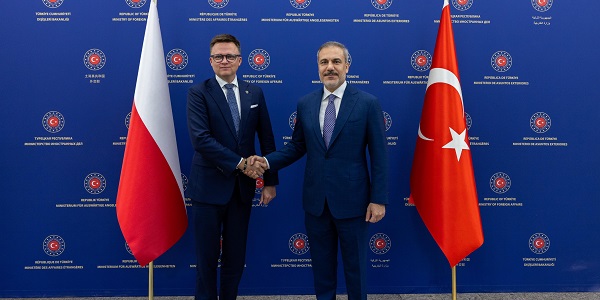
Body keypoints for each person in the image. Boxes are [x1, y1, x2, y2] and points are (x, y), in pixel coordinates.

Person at [251, 41, 388, 300]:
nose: (330, 68)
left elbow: (379, 156)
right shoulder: (306, 104)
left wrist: (378, 199)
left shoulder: (367, 103)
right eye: (324, 62)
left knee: (356, 270)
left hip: (354, 203)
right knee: (322, 271)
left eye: (336, 62)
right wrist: (266, 162)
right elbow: (297, 147)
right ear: (317, 68)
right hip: (316, 203)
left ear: (347, 66)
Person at [186, 33, 278, 300]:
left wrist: (270, 181)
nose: (224, 60)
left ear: (240, 60)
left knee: (235, 258)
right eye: (218, 56)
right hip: (207, 190)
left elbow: (267, 138)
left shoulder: (255, 92)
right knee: (206, 260)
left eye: (229, 56)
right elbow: (201, 140)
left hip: (242, 190)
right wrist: (241, 164)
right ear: (210, 61)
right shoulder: (198, 93)